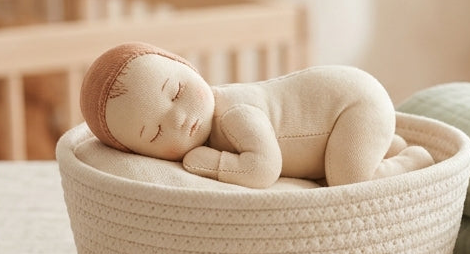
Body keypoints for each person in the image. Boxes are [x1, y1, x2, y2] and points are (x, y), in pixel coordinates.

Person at [79, 42, 433, 188]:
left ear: (188, 69)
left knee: (347, 177)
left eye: (177, 92)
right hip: (342, 119)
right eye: (154, 133)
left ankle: (411, 159)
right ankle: (386, 143)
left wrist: (210, 163)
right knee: (343, 159)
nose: (178, 120)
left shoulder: (234, 112)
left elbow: (264, 169)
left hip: (354, 104)